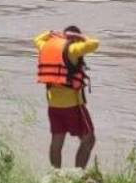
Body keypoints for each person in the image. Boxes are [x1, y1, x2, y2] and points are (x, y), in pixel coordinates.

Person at [35, 25, 99, 169]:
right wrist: (83, 38)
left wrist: (50, 33)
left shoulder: (45, 46)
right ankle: (79, 174)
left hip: (53, 106)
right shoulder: (73, 50)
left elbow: (36, 39)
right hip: (73, 106)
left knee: (57, 141)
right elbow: (95, 44)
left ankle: (56, 175)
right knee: (89, 138)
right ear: (76, 38)